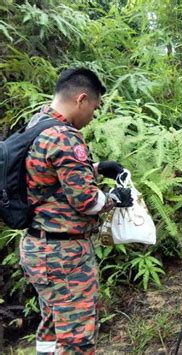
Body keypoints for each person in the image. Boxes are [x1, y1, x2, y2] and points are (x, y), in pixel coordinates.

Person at [19, 67, 133, 354]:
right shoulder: (64, 135)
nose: (92, 116)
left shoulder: (37, 124)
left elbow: (45, 174)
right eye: (94, 109)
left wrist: (96, 168)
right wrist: (115, 198)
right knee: (77, 338)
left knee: (52, 322)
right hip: (64, 255)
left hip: (37, 247)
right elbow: (87, 201)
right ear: (81, 99)